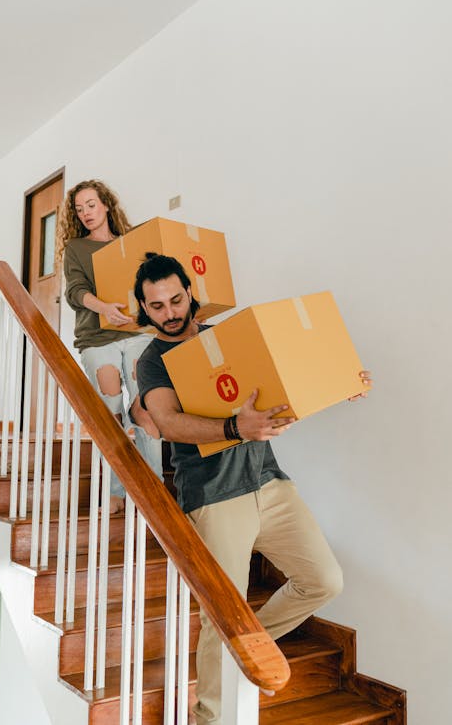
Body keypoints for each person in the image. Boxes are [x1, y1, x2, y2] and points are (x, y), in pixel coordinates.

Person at [134, 253, 371, 725]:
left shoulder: (225, 339)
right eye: (157, 306)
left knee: (324, 580)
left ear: (190, 292)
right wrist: (236, 428)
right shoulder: (153, 362)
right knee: (221, 613)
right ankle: (211, 716)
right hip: (214, 498)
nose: (170, 312)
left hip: (270, 483)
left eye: (176, 299)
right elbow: (166, 422)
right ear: (143, 308)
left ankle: (242, 646)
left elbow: (279, 392)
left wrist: (338, 383)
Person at [57, 180, 163, 511]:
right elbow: (75, 291)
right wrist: (104, 308)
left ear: (105, 205)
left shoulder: (131, 245)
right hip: (97, 337)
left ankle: (155, 485)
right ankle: (118, 488)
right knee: (112, 411)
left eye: (91, 204)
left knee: (147, 406)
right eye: (79, 208)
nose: (86, 213)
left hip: (136, 334)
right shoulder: (76, 248)